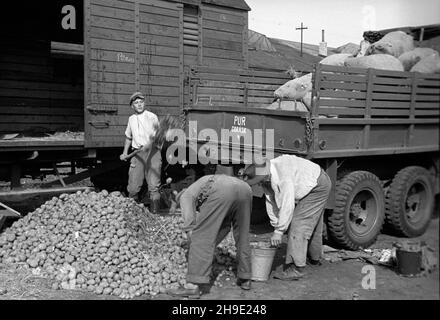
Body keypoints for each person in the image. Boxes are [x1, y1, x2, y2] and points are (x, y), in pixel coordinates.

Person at [240, 154, 331, 280]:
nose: (259, 184)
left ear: (264, 176)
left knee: (299, 224)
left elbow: (287, 205)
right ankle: (314, 258)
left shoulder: (283, 177)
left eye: (259, 181)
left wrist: (279, 231)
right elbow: (271, 202)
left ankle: (296, 268)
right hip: (309, 181)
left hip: (317, 186)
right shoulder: (267, 177)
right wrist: (276, 226)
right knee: (312, 223)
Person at [168, 170, 253, 298]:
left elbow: (192, 228)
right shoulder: (201, 186)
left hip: (222, 190)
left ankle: (193, 286)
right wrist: (210, 246)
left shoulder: (186, 195)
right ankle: (245, 277)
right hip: (245, 189)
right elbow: (224, 227)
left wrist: (194, 240)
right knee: (243, 236)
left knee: (200, 236)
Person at [120, 92, 162, 214]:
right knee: (133, 187)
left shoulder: (152, 116)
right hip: (137, 154)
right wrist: (124, 152)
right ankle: (135, 213)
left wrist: (151, 143)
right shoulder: (131, 119)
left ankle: (155, 215)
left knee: (154, 185)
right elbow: (128, 137)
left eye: (141, 102)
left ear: (144, 103)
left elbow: (158, 136)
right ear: (132, 106)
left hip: (153, 153)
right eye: (136, 103)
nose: (139, 105)